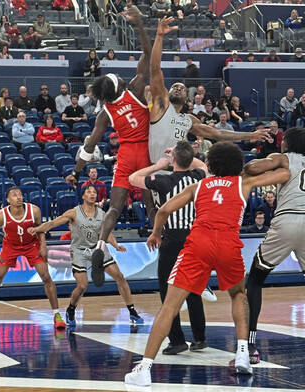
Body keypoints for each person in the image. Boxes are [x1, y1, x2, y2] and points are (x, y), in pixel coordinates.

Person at [124, 141, 292, 386]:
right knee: (238, 295)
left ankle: (145, 368)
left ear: (211, 164)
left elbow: (163, 211)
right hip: (229, 243)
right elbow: (285, 173)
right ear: (236, 164)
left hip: (199, 243)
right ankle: (243, 353)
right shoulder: (244, 182)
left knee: (170, 306)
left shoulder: (198, 185)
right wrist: (277, 160)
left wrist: (157, 233)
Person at [65, 6, 154, 287]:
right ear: (120, 84)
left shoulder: (106, 113)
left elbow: (90, 145)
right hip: (146, 152)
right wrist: (139, 24)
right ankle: (162, 241)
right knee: (150, 203)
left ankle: (100, 247)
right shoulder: (136, 89)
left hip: (126, 154)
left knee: (114, 209)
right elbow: (148, 56)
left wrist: (77, 172)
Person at [243, 127, 305, 364]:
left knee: (256, 279)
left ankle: (250, 342)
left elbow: (252, 168)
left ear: (287, 144)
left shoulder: (284, 159)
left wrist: (264, 163)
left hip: (287, 218)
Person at [146, 16, 272, 169]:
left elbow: (217, 134)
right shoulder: (161, 107)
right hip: (156, 169)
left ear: (187, 98)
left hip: (179, 172)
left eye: (182, 88)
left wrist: (249, 135)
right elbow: (154, 69)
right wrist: (159, 37)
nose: (178, 88)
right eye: (175, 87)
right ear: (167, 93)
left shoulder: (189, 120)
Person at [129, 141, 209, 355]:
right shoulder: (196, 178)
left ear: (173, 160)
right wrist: (184, 154)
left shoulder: (164, 180)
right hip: (194, 238)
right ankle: (200, 338)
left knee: (168, 291)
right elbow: (204, 167)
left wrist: (159, 164)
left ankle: (177, 340)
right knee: (193, 289)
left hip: (172, 239)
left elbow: (132, 178)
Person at [28, 185, 144, 327]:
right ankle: (71, 309)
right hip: (79, 250)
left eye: (94, 192)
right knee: (82, 285)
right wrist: (37, 229)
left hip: (97, 248)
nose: (92, 194)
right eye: (89, 192)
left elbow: (107, 232)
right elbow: (52, 223)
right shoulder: (74, 213)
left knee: (119, 276)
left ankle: (132, 311)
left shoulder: (102, 214)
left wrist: (115, 245)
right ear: (83, 196)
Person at [0, 187, 67, 332]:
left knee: (45, 276)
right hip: (10, 245)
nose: (19, 197)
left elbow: (40, 228)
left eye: (20, 194)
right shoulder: (1, 215)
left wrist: (43, 246)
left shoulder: (34, 210)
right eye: (14, 195)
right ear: (8, 200)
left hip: (32, 244)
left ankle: (57, 315)